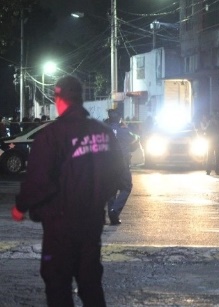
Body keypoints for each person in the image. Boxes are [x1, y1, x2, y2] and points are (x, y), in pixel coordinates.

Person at [11, 75, 130, 307]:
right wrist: (98, 198)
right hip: (92, 222)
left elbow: (38, 180)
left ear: (59, 98)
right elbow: (118, 172)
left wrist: (20, 207)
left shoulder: (51, 135)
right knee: (91, 283)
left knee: (58, 285)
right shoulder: (103, 133)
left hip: (59, 225)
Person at [106, 108, 138, 225]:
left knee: (111, 190)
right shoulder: (124, 130)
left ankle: (112, 215)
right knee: (126, 187)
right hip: (122, 163)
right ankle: (115, 211)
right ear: (120, 117)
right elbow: (135, 141)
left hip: (107, 164)